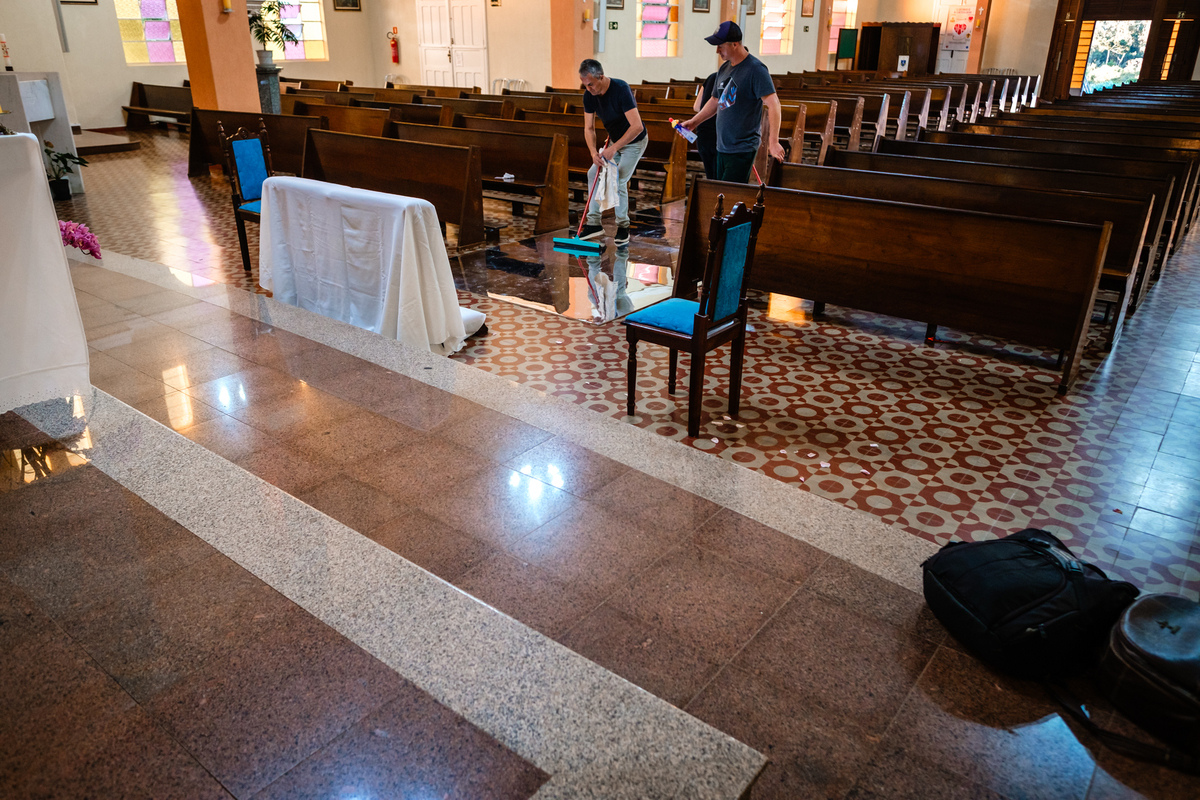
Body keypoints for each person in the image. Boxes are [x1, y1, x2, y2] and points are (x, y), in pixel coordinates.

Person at [680, 21, 785, 183]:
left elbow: (773, 104)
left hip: (742, 147)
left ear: (735, 44)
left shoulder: (755, 69)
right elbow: (715, 100)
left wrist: (773, 141)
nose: (717, 51)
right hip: (722, 145)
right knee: (723, 195)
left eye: (720, 46)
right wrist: (695, 121)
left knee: (727, 195)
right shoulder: (724, 69)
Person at [577, 59, 647, 245]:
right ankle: (593, 224)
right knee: (593, 172)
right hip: (615, 141)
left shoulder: (620, 89)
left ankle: (623, 226)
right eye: (585, 85)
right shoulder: (589, 95)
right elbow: (589, 129)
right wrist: (594, 153)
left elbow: (637, 127)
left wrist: (613, 149)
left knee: (619, 178)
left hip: (634, 141)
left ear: (601, 76)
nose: (588, 89)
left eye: (591, 84)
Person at [693, 71, 720, 179]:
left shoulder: (711, 77)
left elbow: (696, 107)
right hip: (718, 133)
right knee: (719, 177)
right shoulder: (731, 78)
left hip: (703, 132)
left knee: (710, 174)